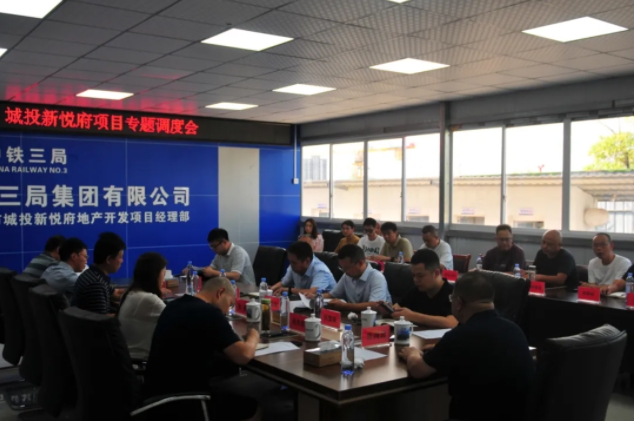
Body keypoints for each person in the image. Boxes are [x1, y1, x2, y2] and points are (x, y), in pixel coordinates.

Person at [399, 272, 534, 421]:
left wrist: (412, 353)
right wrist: (440, 351)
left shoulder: (460, 336)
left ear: (458, 303)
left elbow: (418, 370)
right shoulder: (515, 330)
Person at [145, 277, 261, 421]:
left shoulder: (175, 305)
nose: (227, 311)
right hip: (184, 399)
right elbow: (243, 356)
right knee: (253, 407)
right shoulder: (209, 313)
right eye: (229, 304)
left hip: (156, 389)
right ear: (220, 293)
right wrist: (254, 335)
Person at [117, 252, 167, 360]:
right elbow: (177, 322)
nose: (164, 279)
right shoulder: (148, 300)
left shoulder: (130, 294)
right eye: (163, 273)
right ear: (155, 275)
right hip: (143, 362)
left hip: (129, 360)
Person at [391, 249, 458, 329]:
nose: (415, 280)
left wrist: (413, 316)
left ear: (436, 273)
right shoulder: (416, 290)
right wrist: (390, 310)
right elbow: (398, 307)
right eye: (413, 275)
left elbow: (452, 323)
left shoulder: (452, 293)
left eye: (420, 276)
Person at [316, 245, 391, 312]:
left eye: (346, 268)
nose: (344, 271)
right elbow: (332, 295)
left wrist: (345, 306)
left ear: (360, 263)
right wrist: (316, 297)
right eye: (341, 268)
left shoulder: (376, 277)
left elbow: (375, 305)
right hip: (354, 318)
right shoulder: (347, 275)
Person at [72, 232, 126, 315]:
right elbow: (101, 320)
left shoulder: (93, 274)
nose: (122, 261)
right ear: (108, 259)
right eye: (120, 257)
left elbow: (115, 293)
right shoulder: (96, 284)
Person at [271, 241, 336, 296]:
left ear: (307, 261)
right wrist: (269, 290)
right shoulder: (294, 265)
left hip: (324, 305)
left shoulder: (321, 271)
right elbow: (283, 283)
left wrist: (290, 290)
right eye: (290, 261)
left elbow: (312, 293)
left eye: (294, 262)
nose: (291, 265)